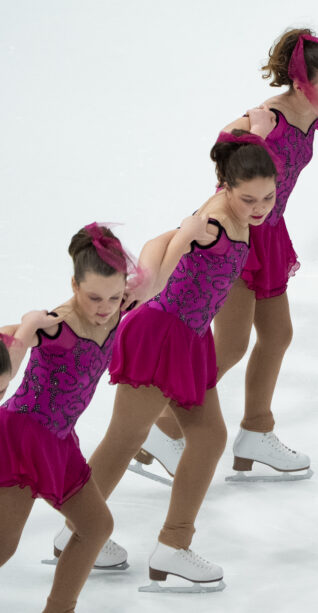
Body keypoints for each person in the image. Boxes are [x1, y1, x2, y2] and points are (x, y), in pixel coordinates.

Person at [142, 29, 318, 479]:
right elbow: (223, 150)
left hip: (270, 234)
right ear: (299, 83)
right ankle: (161, 429)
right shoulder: (267, 117)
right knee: (230, 345)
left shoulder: (317, 112)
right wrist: (257, 136)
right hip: (235, 235)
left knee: (278, 334)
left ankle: (257, 433)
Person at [82, 134, 277, 592]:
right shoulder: (211, 220)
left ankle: (172, 547)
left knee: (209, 438)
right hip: (161, 335)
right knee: (123, 440)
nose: (259, 208)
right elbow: (166, 239)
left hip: (189, 338)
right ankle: (80, 531)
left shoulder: (230, 209)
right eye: (248, 198)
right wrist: (151, 280)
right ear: (226, 187)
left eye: (267, 197)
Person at [0, 225, 157, 611]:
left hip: (58, 442)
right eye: (93, 297)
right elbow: (7, 355)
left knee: (96, 526)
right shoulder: (56, 327)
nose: (105, 307)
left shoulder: (121, 308)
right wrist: (25, 331)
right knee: (2, 548)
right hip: (20, 440)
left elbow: (155, 278)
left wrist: (186, 233)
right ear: (74, 285)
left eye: (114, 296)